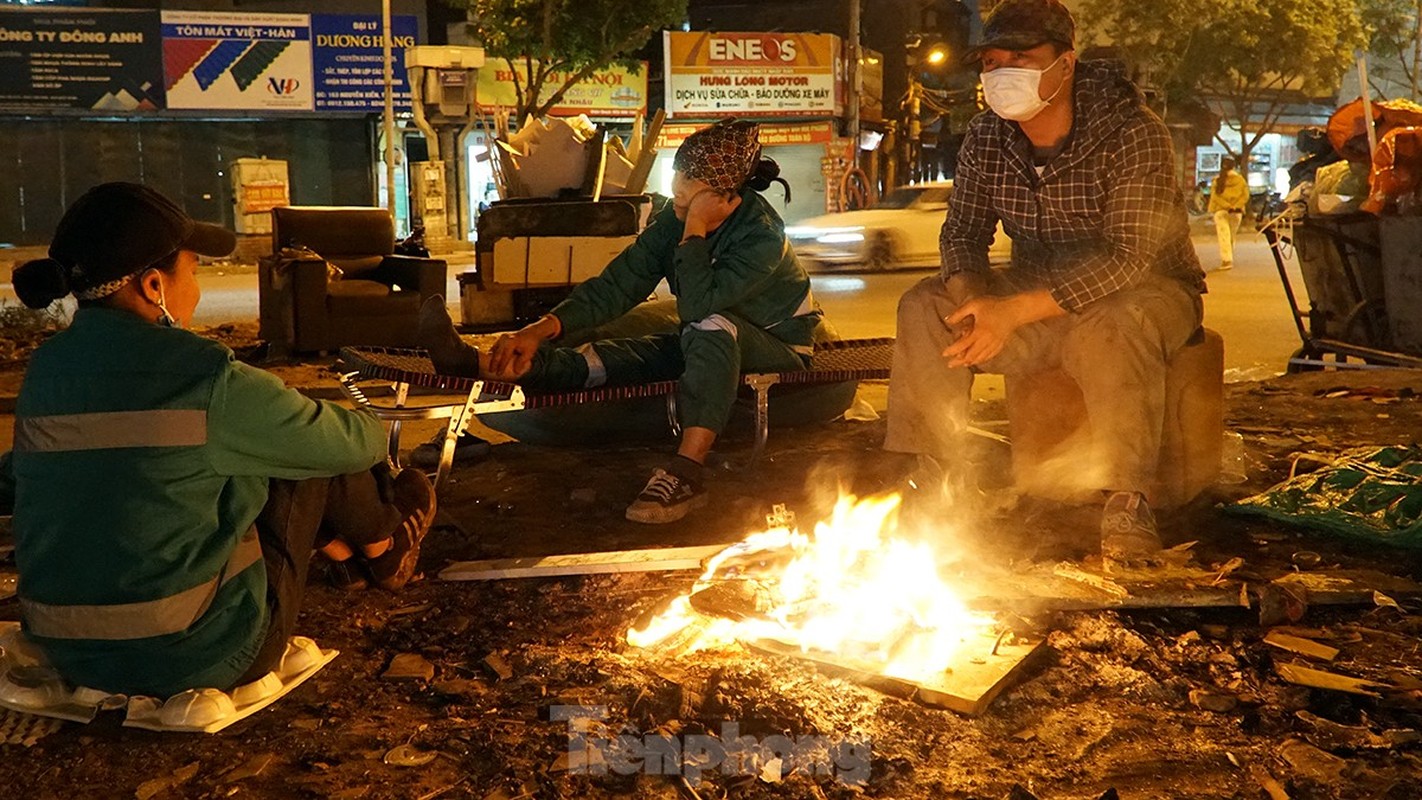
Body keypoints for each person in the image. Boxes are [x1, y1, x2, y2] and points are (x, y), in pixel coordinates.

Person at [0, 183, 436, 699]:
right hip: (202, 655)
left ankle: (355, 550)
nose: (199, 290)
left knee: (239, 452)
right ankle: (384, 541)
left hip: (69, 651)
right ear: (154, 286)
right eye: (195, 271)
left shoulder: (46, 372)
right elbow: (355, 443)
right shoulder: (199, 375)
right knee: (304, 445)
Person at [884, 0, 1207, 561]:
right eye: (991, 61)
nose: (1001, 73)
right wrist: (977, 305)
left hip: (1148, 291)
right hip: (1037, 291)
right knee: (924, 306)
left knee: (1115, 322)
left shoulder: (1133, 131)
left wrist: (1012, 313)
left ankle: (1127, 500)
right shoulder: (987, 135)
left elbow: (1129, 258)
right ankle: (933, 475)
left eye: (1021, 57)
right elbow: (961, 235)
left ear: (1066, 63)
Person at [419, 119, 821, 525]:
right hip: (709, 341)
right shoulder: (673, 219)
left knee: (711, 325)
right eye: (678, 191)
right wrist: (539, 329)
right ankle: (480, 365)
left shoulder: (762, 236)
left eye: (690, 198)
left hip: (779, 348)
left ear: (724, 196)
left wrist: (696, 229)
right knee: (621, 354)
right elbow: (619, 284)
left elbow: (700, 307)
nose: (678, 203)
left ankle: (688, 471)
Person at [1208, 156, 1250, 270]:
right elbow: (1245, 195)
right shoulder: (1240, 180)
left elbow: (1215, 197)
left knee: (1223, 236)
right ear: (1234, 166)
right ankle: (1229, 257)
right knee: (1231, 235)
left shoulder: (1217, 180)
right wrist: (1235, 206)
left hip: (1221, 211)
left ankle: (1227, 260)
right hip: (1236, 212)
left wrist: (1227, 206)